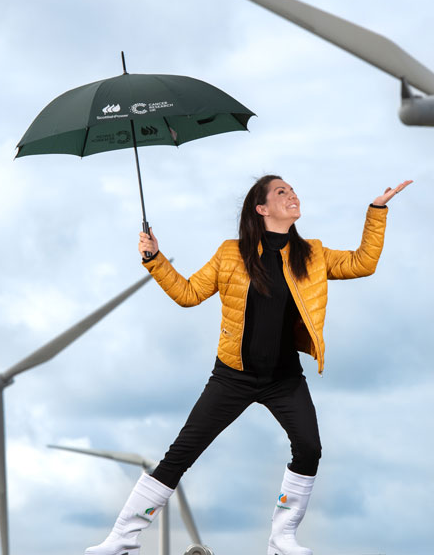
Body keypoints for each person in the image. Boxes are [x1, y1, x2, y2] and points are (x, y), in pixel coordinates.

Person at [85, 175, 412, 555]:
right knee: (181, 454)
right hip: (232, 376)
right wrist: (153, 258)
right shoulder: (231, 253)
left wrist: (377, 211)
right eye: (281, 192)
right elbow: (188, 294)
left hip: (283, 378)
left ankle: (282, 537)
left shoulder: (314, 254)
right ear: (262, 209)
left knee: (309, 448)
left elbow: (364, 263)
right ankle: (122, 539)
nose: (292, 194)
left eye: (292, 189)